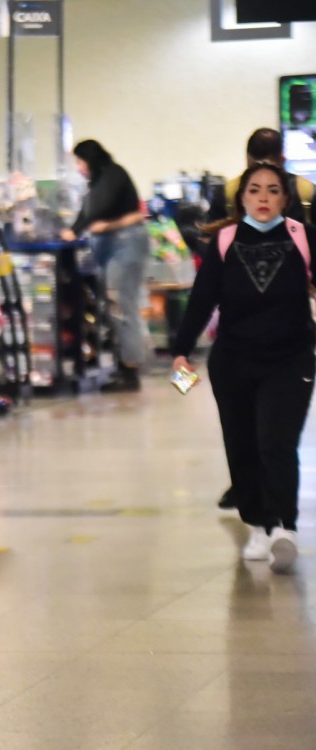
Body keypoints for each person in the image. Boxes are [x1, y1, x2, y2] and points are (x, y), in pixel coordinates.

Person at [171, 162, 316, 574]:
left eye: (273, 190)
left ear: (285, 197)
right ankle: (257, 524)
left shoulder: (304, 238)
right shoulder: (224, 240)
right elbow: (202, 300)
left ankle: (284, 526)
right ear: (242, 198)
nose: (264, 197)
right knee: (243, 444)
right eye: (255, 190)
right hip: (233, 361)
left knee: (277, 441)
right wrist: (181, 351)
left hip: (291, 358)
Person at [61, 140, 150, 393]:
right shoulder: (100, 180)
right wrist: (73, 229)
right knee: (116, 308)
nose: (79, 168)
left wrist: (76, 230)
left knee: (122, 306)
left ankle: (130, 369)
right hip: (114, 246)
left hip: (124, 246)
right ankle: (125, 364)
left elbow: (99, 207)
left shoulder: (113, 174)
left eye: (80, 161)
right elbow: (88, 209)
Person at [208, 128, 314, 225]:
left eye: (273, 191)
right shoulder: (307, 191)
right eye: (254, 190)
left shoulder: (227, 194)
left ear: (248, 159)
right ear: (282, 159)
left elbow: (208, 239)